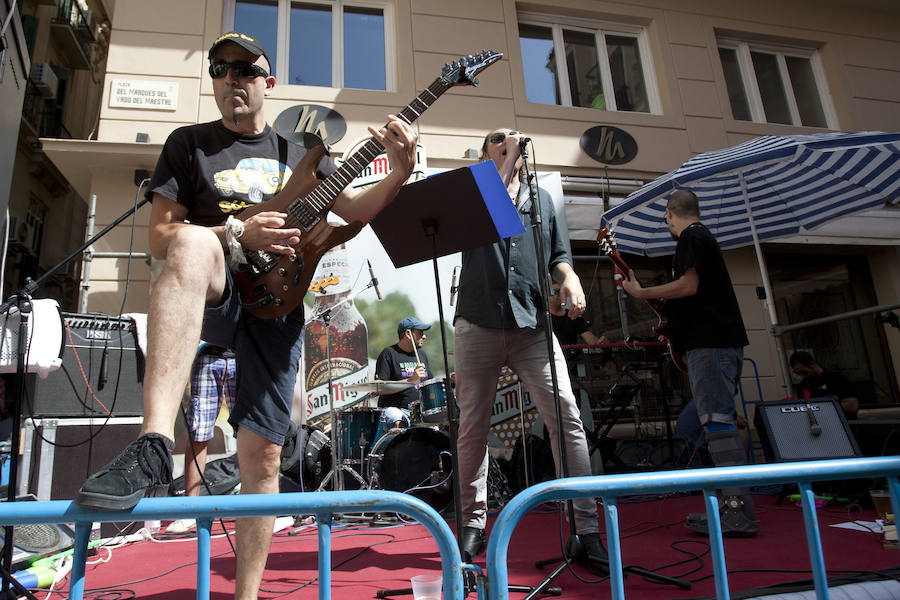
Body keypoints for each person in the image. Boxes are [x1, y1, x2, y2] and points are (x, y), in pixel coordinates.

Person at [74, 31, 417, 599]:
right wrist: (236, 230)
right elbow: (160, 238)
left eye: (244, 69)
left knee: (264, 460)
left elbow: (353, 208)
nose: (231, 77)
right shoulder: (188, 144)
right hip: (209, 290)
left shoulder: (295, 152)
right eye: (220, 69)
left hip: (276, 303)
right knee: (188, 244)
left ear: (268, 82)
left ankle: (247, 595)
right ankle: (155, 444)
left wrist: (400, 172)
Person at [451, 128, 607, 572]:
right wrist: (500, 166)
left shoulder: (541, 198)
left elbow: (558, 253)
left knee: (566, 418)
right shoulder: (475, 191)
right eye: (496, 141)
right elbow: (495, 218)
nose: (508, 143)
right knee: (472, 428)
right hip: (478, 321)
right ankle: (472, 525)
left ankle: (585, 528)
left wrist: (569, 278)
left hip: (532, 323)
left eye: (511, 140)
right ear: (485, 154)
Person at [622, 188, 759, 537]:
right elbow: (695, 296)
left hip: (711, 347)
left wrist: (641, 292)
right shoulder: (703, 238)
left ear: (669, 213)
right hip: (717, 344)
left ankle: (738, 514)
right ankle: (733, 508)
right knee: (718, 422)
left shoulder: (691, 237)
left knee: (717, 424)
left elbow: (688, 285)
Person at [167, 343, 236, 533]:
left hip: (243, 353)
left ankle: (253, 504)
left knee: (250, 433)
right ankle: (190, 509)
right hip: (206, 354)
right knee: (199, 433)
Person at [374, 317, 432, 433]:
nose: (424, 336)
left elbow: (430, 385)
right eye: (420, 333)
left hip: (419, 413)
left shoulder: (422, 355)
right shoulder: (389, 353)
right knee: (398, 421)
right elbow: (379, 388)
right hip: (396, 410)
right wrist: (411, 380)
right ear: (408, 334)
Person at [789, 350, 859, 419]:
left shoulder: (837, 379)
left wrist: (820, 408)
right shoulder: (803, 385)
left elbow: (852, 406)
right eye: (798, 374)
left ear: (812, 364)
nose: (802, 376)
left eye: (804, 372)